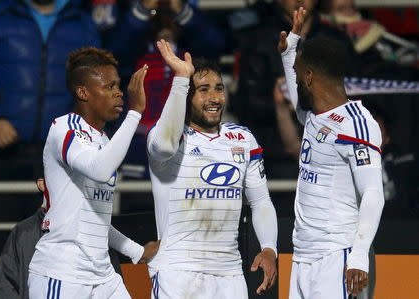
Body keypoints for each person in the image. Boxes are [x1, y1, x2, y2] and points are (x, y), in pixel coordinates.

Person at [0, 0, 100, 286]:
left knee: (56, 244)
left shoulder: (81, 19)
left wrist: (81, 133)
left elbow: (96, 82)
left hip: (61, 155)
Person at [146, 40, 278, 298]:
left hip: (230, 276)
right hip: (178, 273)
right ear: (186, 95)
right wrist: (182, 77)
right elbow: (162, 145)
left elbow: (261, 201)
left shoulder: (243, 138)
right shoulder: (169, 138)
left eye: (219, 88)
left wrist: (269, 248)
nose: (214, 98)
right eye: (203, 90)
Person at [28, 47, 158, 298]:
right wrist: (135, 113)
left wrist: (136, 251)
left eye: (118, 85)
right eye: (110, 87)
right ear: (83, 92)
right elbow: (99, 170)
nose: (119, 93)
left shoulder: (104, 141)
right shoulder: (64, 127)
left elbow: (95, 221)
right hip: (62, 274)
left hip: (103, 276)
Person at [279, 8, 384, 298]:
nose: (296, 80)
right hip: (303, 256)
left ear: (310, 77)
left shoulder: (356, 125)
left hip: (338, 256)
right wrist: (290, 52)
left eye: (300, 74)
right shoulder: (315, 117)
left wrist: (359, 256)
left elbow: (374, 193)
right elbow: (298, 97)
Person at [232, 0, 357, 179]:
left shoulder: (336, 40)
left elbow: (355, 94)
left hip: (335, 149)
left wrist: (308, 101)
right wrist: (282, 103)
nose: (299, 1)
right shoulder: (257, 42)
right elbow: (246, 103)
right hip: (276, 156)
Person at [0, 178, 158, 299]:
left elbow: (108, 282)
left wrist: (138, 252)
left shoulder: (94, 226)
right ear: (42, 184)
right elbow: (6, 289)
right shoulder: (23, 232)